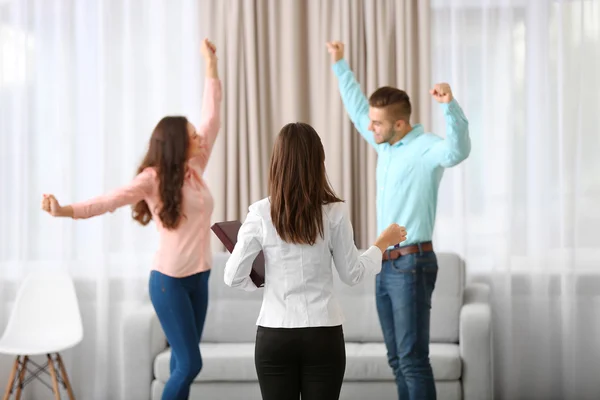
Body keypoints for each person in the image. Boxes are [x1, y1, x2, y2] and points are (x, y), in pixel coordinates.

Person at [40, 39, 221, 400]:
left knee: (180, 367)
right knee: (190, 364)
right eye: (191, 136)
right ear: (175, 144)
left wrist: (211, 64)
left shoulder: (195, 169)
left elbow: (212, 116)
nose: (200, 138)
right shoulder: (152, 179)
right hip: (168, 282)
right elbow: (109, 200)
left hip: (200, 278)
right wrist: (64, 210)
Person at [326, 41, 471, 400]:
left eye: (378, 124)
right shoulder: (385, 146)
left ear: (401, 124)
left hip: (412, 263)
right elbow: (359, 109)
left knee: (412, 360)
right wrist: (340, 63)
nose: (370, 128)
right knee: (396, 359)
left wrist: (450, 106)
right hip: (386, 266)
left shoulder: (427, 149)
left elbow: (458, 151)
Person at [223, 122, 406, 400]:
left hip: (274, 334)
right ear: (318, 162)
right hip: (323, 333)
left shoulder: (260, 213)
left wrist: (263, 282)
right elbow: (353, 274)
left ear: (277, 163)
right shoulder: (334, 213)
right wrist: (381, 243)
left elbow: (233, 276)